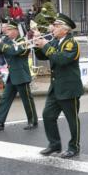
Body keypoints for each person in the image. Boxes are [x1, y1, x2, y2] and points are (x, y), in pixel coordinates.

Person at [34, 13, 84, 158]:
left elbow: (61, 59)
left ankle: (74, 147)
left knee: (72, 119)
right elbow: (44, 56)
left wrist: (46, 45)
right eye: (54, 26)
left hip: (69, 88)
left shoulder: (72, 44)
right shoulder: (56, 41)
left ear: (65, 30)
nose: (53, 28)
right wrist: (38, 44)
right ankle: (54, 144)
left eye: (56, 26)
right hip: (55, 88)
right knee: (47, 115)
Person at [0, 20, 38, 131]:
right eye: (7, 29)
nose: (7, 31)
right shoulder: (8, 41)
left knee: (27, 100)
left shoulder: (23, 42)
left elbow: (13, 52)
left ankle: (33, 120)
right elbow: (3, 51)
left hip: (21, 75)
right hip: (12, 75)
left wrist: (1, 43)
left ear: (15, 31)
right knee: (5, 98)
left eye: (9, 30)